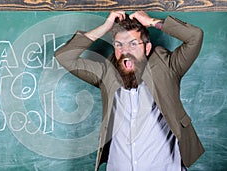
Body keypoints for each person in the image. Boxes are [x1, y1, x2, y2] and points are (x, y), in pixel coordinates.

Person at [54, 11, 204, 171]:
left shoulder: (167, 67)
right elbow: (65, 57)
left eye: (133, 44)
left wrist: (152, 22)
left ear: (147, 48)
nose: (125, 50)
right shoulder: (106, 72)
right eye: (119, 44)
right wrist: (105, 27)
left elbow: (195, 36)